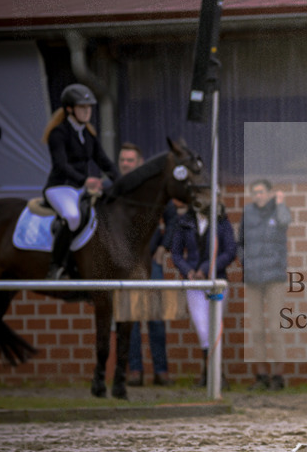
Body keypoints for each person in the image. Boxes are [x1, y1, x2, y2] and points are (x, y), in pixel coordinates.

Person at [41, 83, 119, 279]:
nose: (87, 111)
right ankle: (56, 265)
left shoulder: (88, 134)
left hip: (79, 189)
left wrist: (121, 181)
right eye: (83, 107)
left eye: (89, 107)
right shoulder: (58, 133)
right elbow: (61, 165)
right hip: (59, 188)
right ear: (70, 109)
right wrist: (85, 180)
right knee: (72, 217)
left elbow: (104, 161)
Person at [117, 143, 174, 387]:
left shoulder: (154, 188)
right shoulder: (116, 191)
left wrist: (162, 249)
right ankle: (135, 372)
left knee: (156, 320)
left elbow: (172, 219)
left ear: (140, 163)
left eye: (130, 160)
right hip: (126, 266)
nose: (126, 164)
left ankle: (161, 371)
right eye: (123, 160)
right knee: (130, 320)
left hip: (152, 265)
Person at [169, 196, 237, 387]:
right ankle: (210, 373)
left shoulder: (222, 222)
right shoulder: (185, 222)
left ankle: (214, 375)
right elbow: (176, 253)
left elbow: (229, 251)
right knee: (202, 327)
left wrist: (206, 269)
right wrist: (188, 271)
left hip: (216, 282)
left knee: (215, 326)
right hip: (194, 285)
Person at [239, 179, 292, 390]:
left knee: (276, 328)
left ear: (269, 193)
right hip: (252, 279)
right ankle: (261, 376)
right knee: (257, 330)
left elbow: (284, 222)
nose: (257, 196)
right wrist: (245, 261)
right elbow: (239, 242)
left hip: (274, 279)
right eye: (255, 192)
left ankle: (278, 376)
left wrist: (279, 203)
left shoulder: (279, 210)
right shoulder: (248, 213)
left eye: (261, 192)